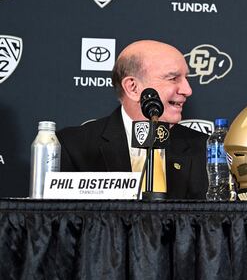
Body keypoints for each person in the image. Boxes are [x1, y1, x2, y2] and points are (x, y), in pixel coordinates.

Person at [57, 40, 208, 199]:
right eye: (173, 78)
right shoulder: (73, 147)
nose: (188, 90)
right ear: (133, 88)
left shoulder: (205, 149)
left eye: (186, 78)